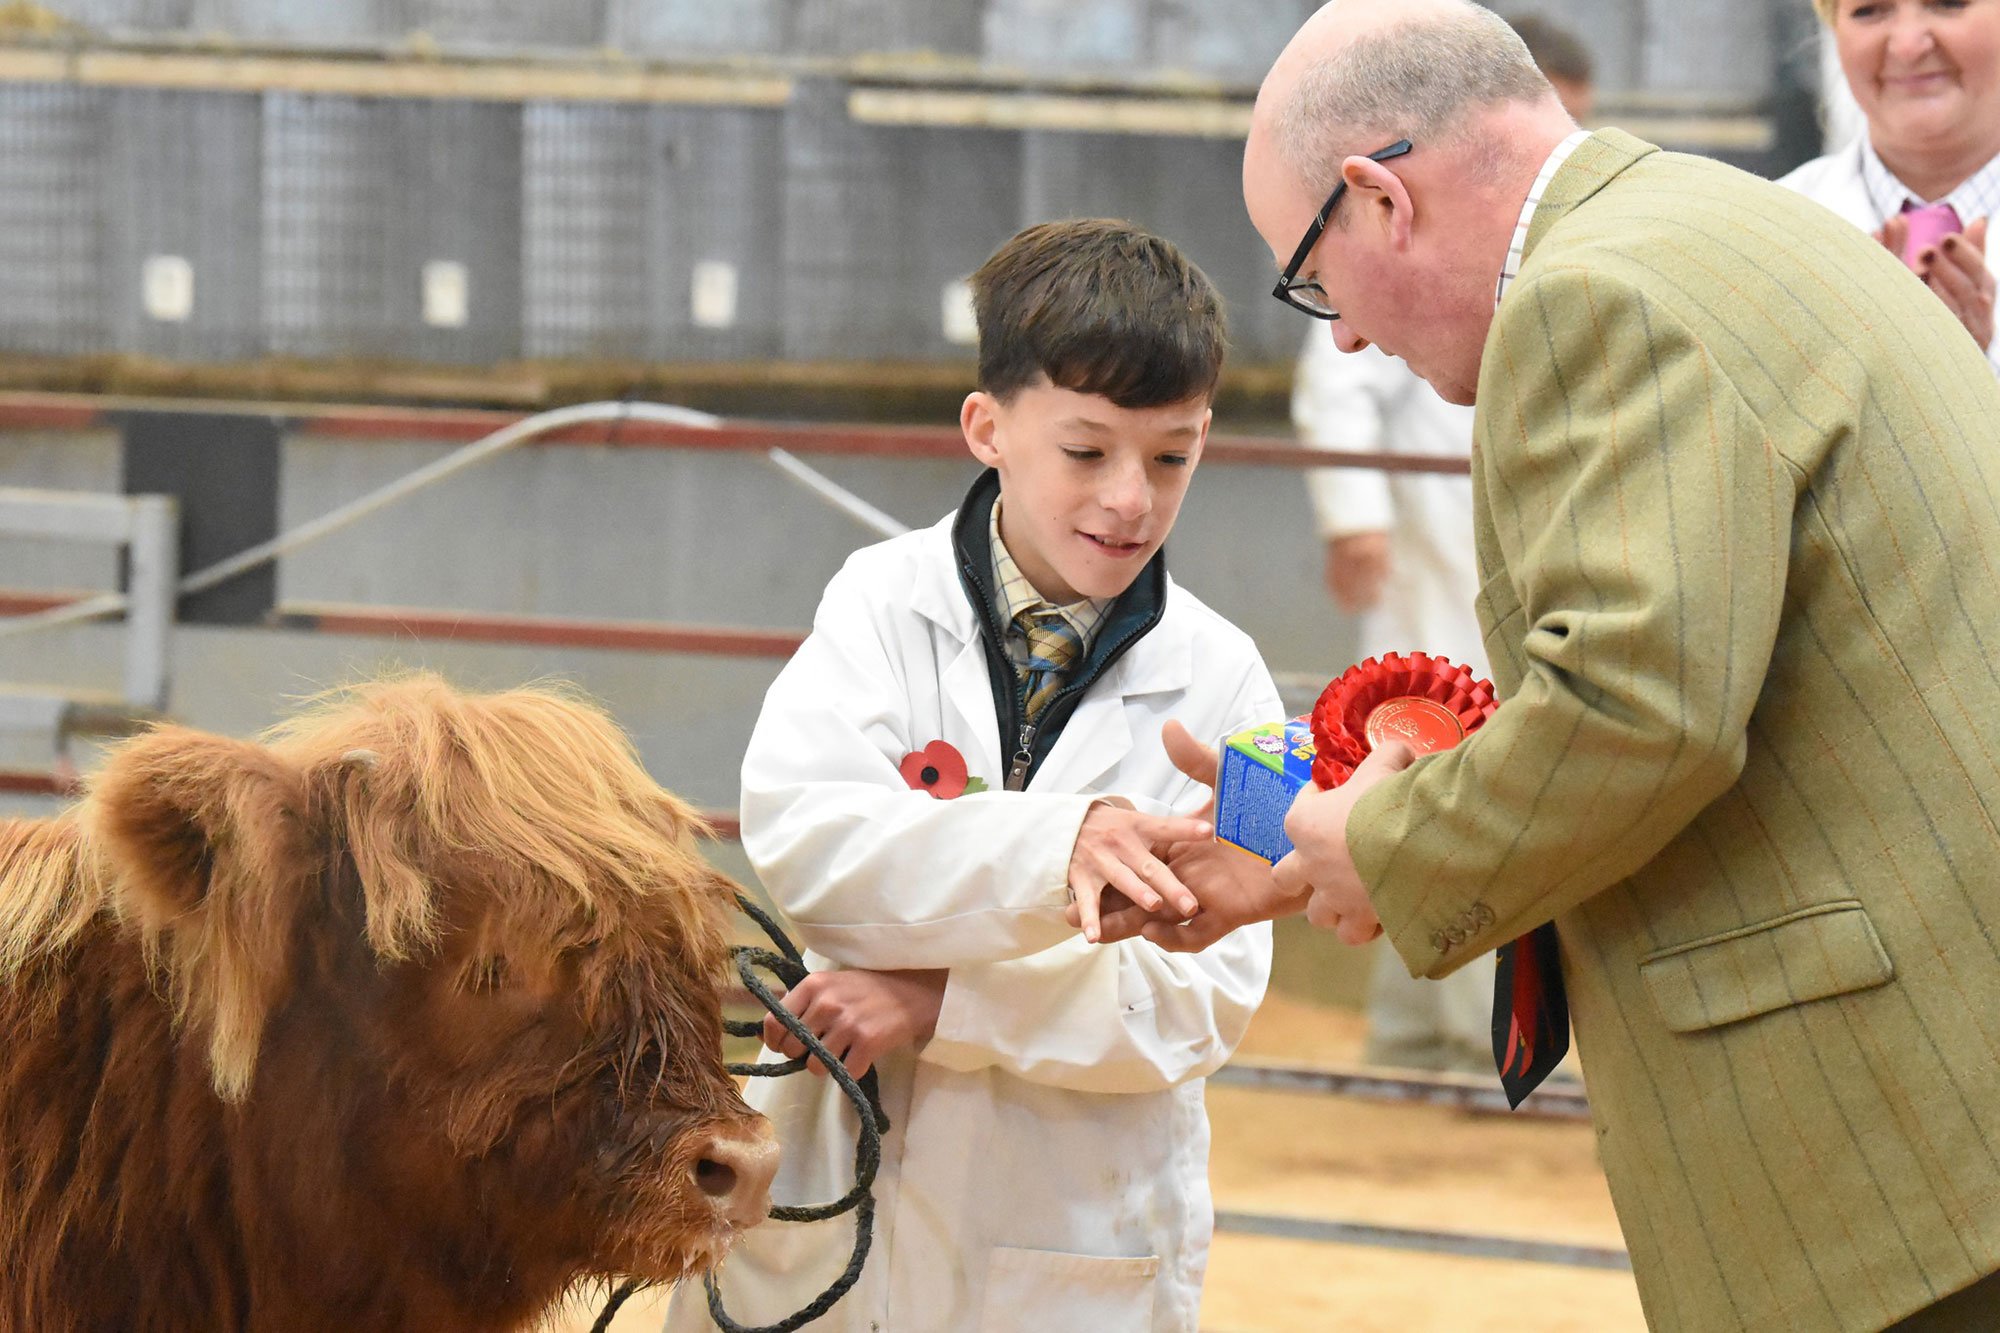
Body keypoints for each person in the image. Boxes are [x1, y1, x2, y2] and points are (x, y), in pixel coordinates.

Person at [1100, 1, 2000, 1327]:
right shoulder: (1720, 228)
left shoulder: (1594, 297)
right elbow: (1710, 669)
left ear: (1376, 197)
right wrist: (1326, 820)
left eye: (1311, 273)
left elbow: (1640, 713)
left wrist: (1388, 845)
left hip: (1887, 1142)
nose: (1339, 334)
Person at [664, 219, 1279, 1333]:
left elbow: (1207, 1000)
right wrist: (1059, 847)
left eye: (1172, 455)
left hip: (1069, 1237)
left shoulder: (1232, 687)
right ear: (986, 428)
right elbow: (808, 839)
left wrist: (943, 1000)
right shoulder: (876, 603)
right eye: (1086, 452)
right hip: (827, 1202)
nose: (1130, 498)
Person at [1295, 11, 1595, 1076]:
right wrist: (1355, 517)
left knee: (1459, 762)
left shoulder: (1580, 240)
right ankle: (1446, 1034)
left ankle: (1424, 1028)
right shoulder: (1391, 229)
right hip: (1432, 548)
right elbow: (1335, 370)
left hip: (1507, 545)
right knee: (1432, 760)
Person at [1780, 0, 2000, 372]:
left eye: (1948, 3)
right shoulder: (1765, 228)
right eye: (1869, 10)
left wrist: (1977, 374)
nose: (1908, 45)